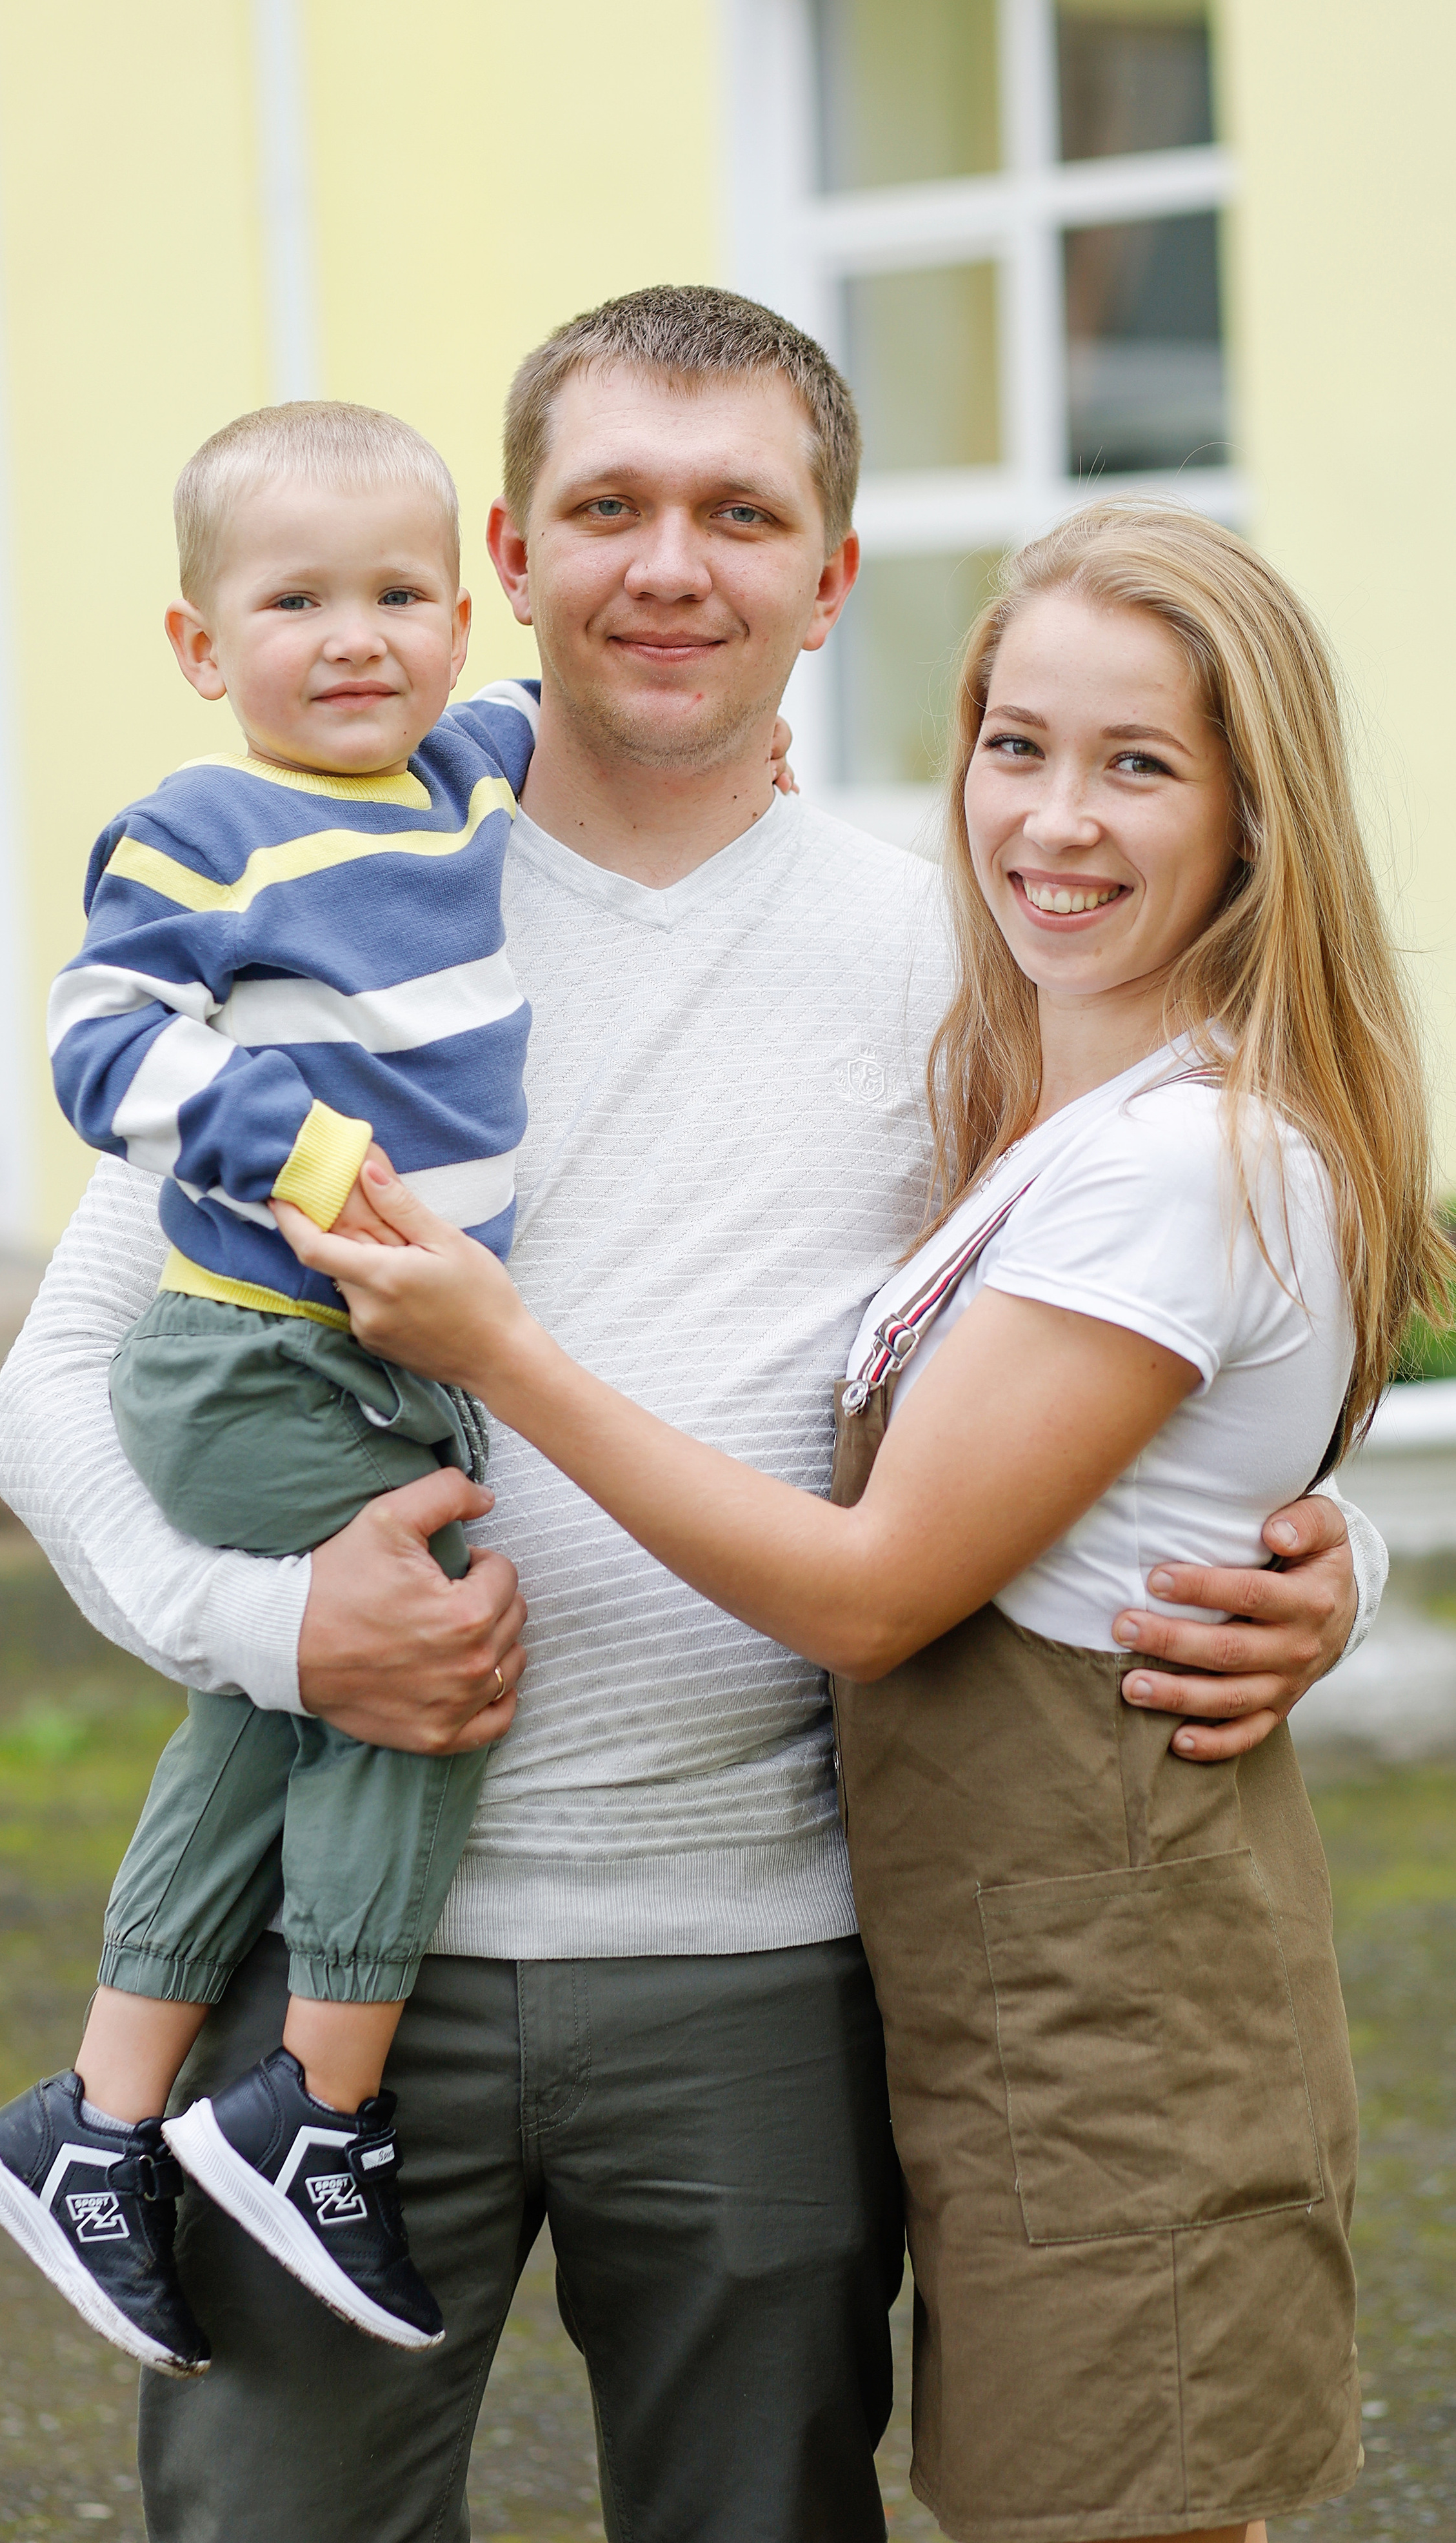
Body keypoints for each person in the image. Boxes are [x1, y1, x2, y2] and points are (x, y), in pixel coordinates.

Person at [0, 290, 1384, 2543]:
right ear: (504, 565)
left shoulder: (972, 954)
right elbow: (57, 1389)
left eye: (743, 514)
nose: (672, 566)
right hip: (343, 1980)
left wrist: (1322, 1562)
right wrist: (260, 1632)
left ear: (832, 579)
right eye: (608, 507)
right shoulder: (324, 893)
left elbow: (1166, 1320)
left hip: (764, 1961)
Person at [292, 498, 1450, 2543]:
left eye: (1141, 764)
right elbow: (1163, 1456)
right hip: (1012, 2006)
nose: (1057, 822)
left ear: (1258, 816)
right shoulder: (1062, 1107)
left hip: (1119, 2020)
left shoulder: (1175, 1160)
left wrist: (507, 1345)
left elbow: (875, 1595)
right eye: (1018, 747)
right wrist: (1314, 1538)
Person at [0, 402, 552, 2369]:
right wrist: (283, 1149)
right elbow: (100, 1040)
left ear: (461, 618)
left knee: (279, 1697)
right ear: (205, 647)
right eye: (297, 601)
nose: (357, 637)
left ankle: (100, 2129)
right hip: (258, 1342)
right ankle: (316, 2110)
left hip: (343, 1357)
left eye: (399, 594)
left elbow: (576, 726)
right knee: (425, 1663)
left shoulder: (462, 775)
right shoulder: (203, 823)